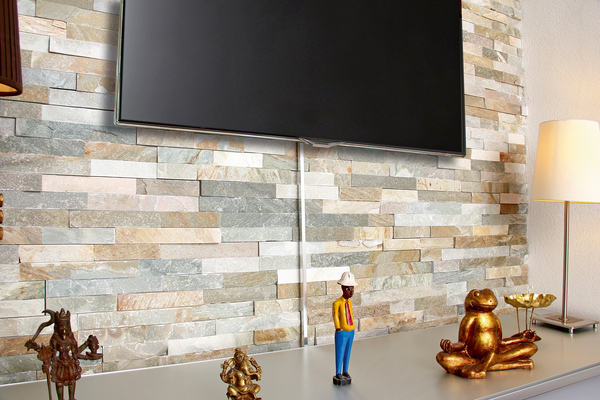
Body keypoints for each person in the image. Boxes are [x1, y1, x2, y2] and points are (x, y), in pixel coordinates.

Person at [25, 309, 102, 400]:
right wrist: (37, 348)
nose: (64, 330)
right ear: (57, 327)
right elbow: (49, 353)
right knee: (59, 383)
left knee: (72, 382)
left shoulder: (71, 340)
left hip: (70, 365)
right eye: (61, 328)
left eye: (65, 327)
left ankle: (72, 398)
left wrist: (86, 349)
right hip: (59, 365)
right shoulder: (55, 340)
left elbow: (76, 353)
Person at [332, 271, 357, 385]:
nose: (351, 292)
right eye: (348, 289)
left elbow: (350, 314)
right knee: (340, 352)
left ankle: (345, 371)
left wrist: (352, 326)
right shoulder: (337, 303)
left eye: (352, 289)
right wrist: (338, 327)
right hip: (342, 331)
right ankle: (338, 372)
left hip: (350, 330)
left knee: (348, 352)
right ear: (342, 288)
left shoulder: (350, 302)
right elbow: (335, 315)